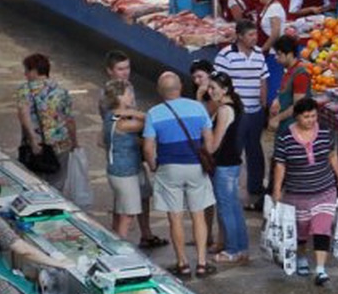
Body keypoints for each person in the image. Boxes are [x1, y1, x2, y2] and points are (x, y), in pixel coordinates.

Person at [144, 71, 217, 277]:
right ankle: (202, 263)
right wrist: (206, 158)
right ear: (181, 87)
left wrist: (154, 166)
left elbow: (149, 148)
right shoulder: (197, 108)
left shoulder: (154, 113)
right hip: (195, 167)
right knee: (198, 214)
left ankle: (183, 264)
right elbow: (209, 142)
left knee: (175, 218)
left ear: (160, 91)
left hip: (169, 168)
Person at [271, 97, 338, 284]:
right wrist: (277, 189)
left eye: (313, 116)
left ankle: (320, 269)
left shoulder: (325, 132)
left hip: (325, 190)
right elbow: (280, 165)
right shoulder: (285, 137)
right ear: (297, 117)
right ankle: (302, 256)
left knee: (322, 228)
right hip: (297, 194)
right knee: (302, 230)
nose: (311, 120)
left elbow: (332, 156)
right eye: (306, 117)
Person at [17, 52, 87, 207]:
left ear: (34, 71)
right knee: (57, 183)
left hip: (35, 147)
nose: (25, 74)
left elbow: (24, 114)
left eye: (27, 70)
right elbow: (69, 120)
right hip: (60, 145)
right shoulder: (61, 91)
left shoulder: (25, 90)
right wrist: (74, 142)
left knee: (33, 183)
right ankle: (54, 209)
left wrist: (33, 140)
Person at [215, 20, 271, 207]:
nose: (254, 38)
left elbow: (263, 80)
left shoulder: (258, 55)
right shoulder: (226, 55)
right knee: (234, 148)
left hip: (255, 111)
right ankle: (230, 185)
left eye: (255, 35)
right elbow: (219, 83)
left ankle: (255, 185)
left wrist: (264, 105)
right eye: (250, 35)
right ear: (239, 36)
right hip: (237, 112)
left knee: (255, 149)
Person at [208, 72, 250, 265]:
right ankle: (241, 248)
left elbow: (215, 143)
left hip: (224, 165)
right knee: (234, 207)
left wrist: (204, 149)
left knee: (226, 208)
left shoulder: (225, 110)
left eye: (213, 88)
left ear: (224, 90)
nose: (210, 92)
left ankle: (232, 250)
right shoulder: (235, 106)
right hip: (232, 164)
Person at [101, 78, 148, 244]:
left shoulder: (111, 116)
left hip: (117, 169)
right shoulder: (123, 122)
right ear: (120, 97)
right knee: (128, 215)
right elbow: (150, 120)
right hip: (125, 172)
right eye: (129, 94)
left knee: (121, 211)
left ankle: (116, 242)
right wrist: (135, 113)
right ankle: (120, 248)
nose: (132, 97)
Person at [267, 34, 314, 136]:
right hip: (285, 126)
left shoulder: (300, 74)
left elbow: (297, 106)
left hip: (293, 128)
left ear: (289, 54)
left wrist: (277, 118)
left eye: (279, 54)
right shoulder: (289, 70)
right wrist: (276, 101)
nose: (276, 58)